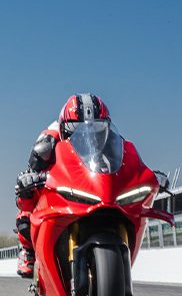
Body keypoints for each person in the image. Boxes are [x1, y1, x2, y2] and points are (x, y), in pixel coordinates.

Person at [14, 93, 111, 277]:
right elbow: (32, 171)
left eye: (96, 130)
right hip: (59, 185)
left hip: (92, 187)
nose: (87, 137)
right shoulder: (47, 141)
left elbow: (121, 161)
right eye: (77, 130)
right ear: (63, 127)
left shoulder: (109, 140)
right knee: (26, 201)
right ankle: (27, 251)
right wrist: (31, 180)